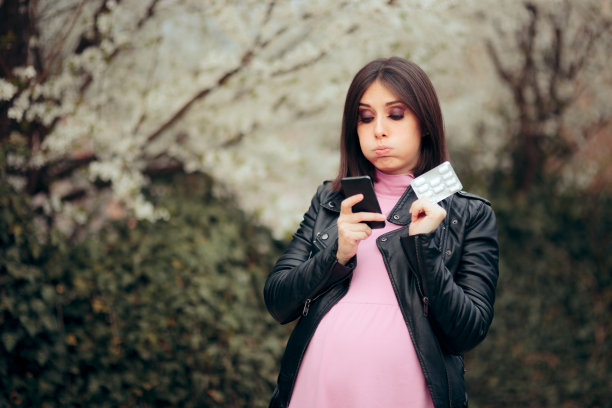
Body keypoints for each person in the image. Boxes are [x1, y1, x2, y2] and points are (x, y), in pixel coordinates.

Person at [264, 57, 499, 408]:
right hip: (319, 383)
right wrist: (335, 254)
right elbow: (278, 300)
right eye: (366, 117)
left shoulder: (469, 214)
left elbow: (468, 330)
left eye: (396, 114)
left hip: (407, 391)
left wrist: (423, 245)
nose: (379, 131)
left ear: (426, 124)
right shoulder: (331, 202)